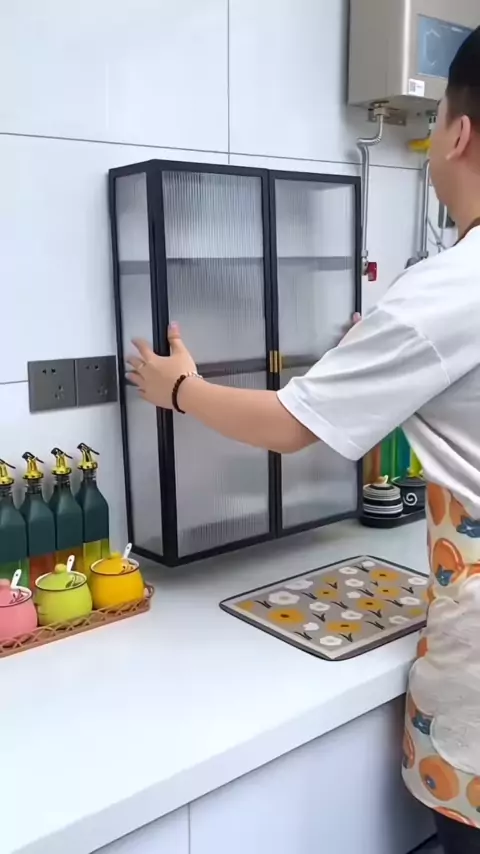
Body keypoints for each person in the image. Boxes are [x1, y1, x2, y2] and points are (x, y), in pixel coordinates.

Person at [127, 27, 480, 854]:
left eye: (436, 122)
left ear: (459, 133)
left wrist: (180, 388)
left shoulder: (451, 288)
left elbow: (291, 425)